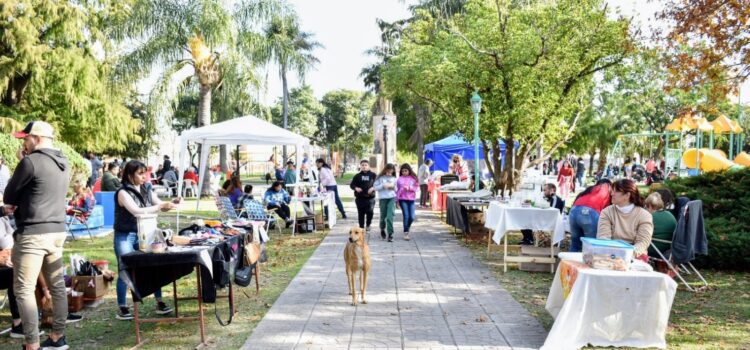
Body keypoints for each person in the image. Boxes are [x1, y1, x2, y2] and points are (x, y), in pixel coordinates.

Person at [4, 121, 71, 349]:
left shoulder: (31, 162)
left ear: (37, 138)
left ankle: (32, 344)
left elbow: (9, 196)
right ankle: (57, 336)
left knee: (23, 289)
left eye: (25, 138)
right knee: (57, 286)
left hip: (33, 232)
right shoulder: (64, 162)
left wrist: (23, 162)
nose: (23, 142)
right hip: (57, 231)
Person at [113, 161, 177, 321]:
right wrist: (160, 207)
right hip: (125, 235)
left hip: (146, 233)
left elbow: (158, 203)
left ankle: (159, 301)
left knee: (153, 266)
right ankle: (122, 306)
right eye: (140, 174)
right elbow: (136, 211)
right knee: (125, 269)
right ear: (129, 175)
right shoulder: (122, 192)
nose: (144, 177)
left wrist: (171, 203)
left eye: (145, 173)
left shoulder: (147, 188)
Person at [597, 179, 653, 260]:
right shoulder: (607, 212)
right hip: (610, 254)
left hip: (635, 256)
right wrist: (614, 255)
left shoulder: (644, 215)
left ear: (627, 195)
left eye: (616, 191)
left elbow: (643, 242)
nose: (612, 194)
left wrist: (626, 255)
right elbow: (603, 238)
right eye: (612, 191)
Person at [568, 179, 612, 252]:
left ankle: (569, 262)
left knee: (575, 243)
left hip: (574, 210)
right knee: (591, 243)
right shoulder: (608, 189)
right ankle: (589, 262)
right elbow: (608, 210)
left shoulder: (591, 189)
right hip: (590, 212)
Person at [645, 192, 677, 257]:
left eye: (647, 206)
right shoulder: (670, 214)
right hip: (670, 248)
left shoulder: (650, 217)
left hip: (656, 248)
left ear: (650, 206)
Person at [350, 160, 377, 231]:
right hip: (360, 198)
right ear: (360, 166)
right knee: (361, 213)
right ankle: (361, 227)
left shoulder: (373, 175)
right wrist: (356, 188)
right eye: (362, 165)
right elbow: (352, 185)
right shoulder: (357, 176)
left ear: (368, 166)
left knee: (370, 212)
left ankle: (368, 224)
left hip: (370, 198)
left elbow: (378, 184)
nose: (364, 166)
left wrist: (373, 188)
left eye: (365, 165)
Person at [374, 164, 397, 242]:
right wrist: (383, 185)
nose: (389, 172)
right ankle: (382, 228)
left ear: (393, 171)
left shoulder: (394, 178)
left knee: (390, 217)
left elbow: (397, 189)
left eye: (391, 170)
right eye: (388, 170)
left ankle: (390, 234)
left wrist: (393, 187)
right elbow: (375, 187)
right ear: (385, 169)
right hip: (383, 199)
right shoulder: (380, 178)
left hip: (391, 198)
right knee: (383, 216)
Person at [396, 163, 419, 241]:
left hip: (411, 199)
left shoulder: (413, 179)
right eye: (402, 171)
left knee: (412, 217)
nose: (404, 172)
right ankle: (406, 232)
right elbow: (397, 190)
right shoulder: (399, 179)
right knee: (406, 215)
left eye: (406, 171)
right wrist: (397, 200)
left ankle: (407, 227)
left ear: (409, 170)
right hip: (402, 199)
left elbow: (417, 188)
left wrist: (409, 188)